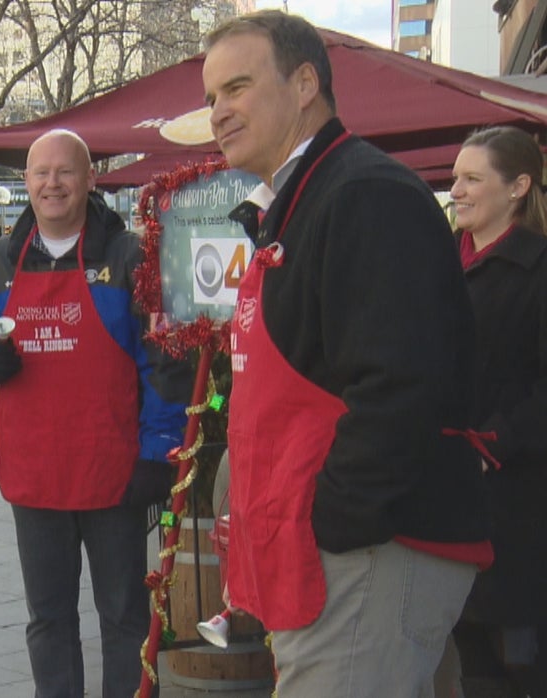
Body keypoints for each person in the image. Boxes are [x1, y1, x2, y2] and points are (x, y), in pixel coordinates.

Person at [203, 11, 490, 696]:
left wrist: (332, 524)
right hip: (346, 557)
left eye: (237, 87)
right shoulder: (304, 200)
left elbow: (400, 386)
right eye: (212, 96)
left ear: (305, 84)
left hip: (368, 555)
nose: (218, 111)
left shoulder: (363, 195)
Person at [0, 128, 189, 697]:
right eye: (40, 173)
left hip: (115, 476)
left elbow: (164, 362)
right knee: (49, 620)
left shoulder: (129, 258)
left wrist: (157, 455)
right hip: (34, 478)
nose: (52, 183)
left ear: (89, 179)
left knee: (126, 617)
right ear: (26, 182)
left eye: (65, 171)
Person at [447, 125, 547, 697]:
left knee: (520, 665)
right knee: (476, 671)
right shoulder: (446, 267)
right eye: (456, 177)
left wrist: (494, 441)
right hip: (458, 508)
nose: (456, 189)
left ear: (518, 187)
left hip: (521, 514)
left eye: (471, 178)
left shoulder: (537, 270)